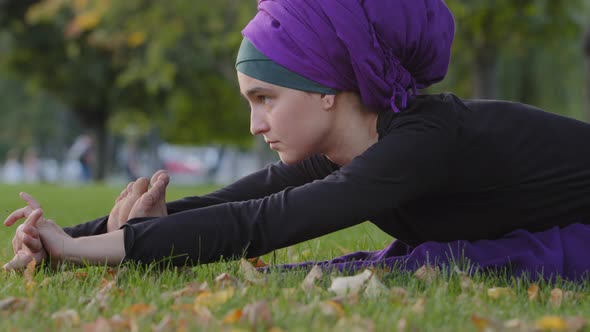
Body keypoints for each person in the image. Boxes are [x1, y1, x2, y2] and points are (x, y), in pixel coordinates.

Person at [4, 0, 590, 281]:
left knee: (426, 267)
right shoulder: (346, 147)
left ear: (327, 89)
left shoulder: (421, 141)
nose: (256, 124)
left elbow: (260, 224)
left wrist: (75, 250)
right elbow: (225, 206)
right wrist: (68, 237)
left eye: (265, 99)